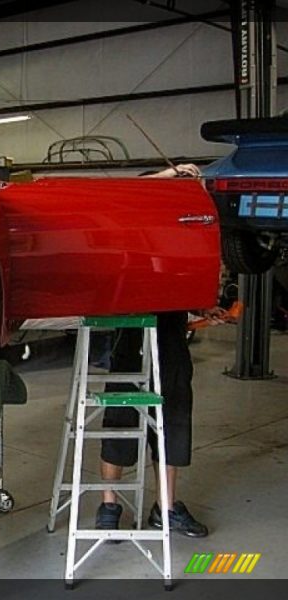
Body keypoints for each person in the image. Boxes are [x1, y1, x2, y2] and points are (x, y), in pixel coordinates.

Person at [95, 164, 221, 538]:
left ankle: (165, 508)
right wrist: (172, 173)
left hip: (169, 325)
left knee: (174, 409)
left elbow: (186, 272)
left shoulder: (179, 228)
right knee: (121, 410)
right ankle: (109, 504)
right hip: (129, 321)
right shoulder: (132, 214)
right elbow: (119, 192)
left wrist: (203, 305)